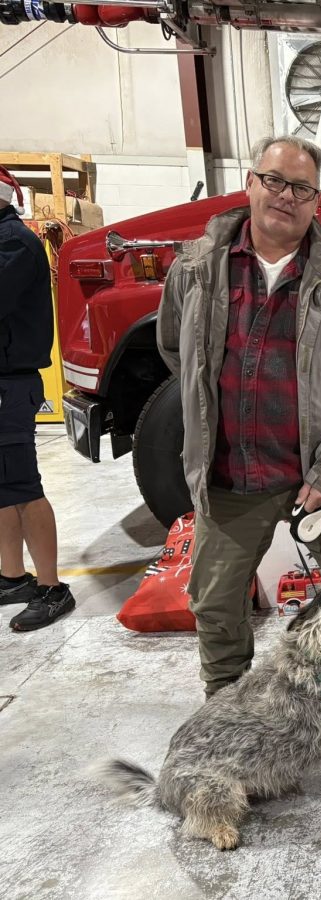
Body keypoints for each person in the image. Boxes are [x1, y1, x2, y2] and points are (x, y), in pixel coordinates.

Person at [156, 135, 321, 768]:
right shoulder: (195, 267)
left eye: (302, 188)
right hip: (231, 474)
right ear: (250, 183)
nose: (286, 196)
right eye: (274, 180)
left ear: (316, 201)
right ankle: (227, 721)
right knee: (215, 603)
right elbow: (176, 351)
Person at [0, 166, 76, 631]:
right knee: (4, 487)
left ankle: (52, 587)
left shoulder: (12, 243)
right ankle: (12, 577)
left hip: (9, 384)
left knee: (23, 486)